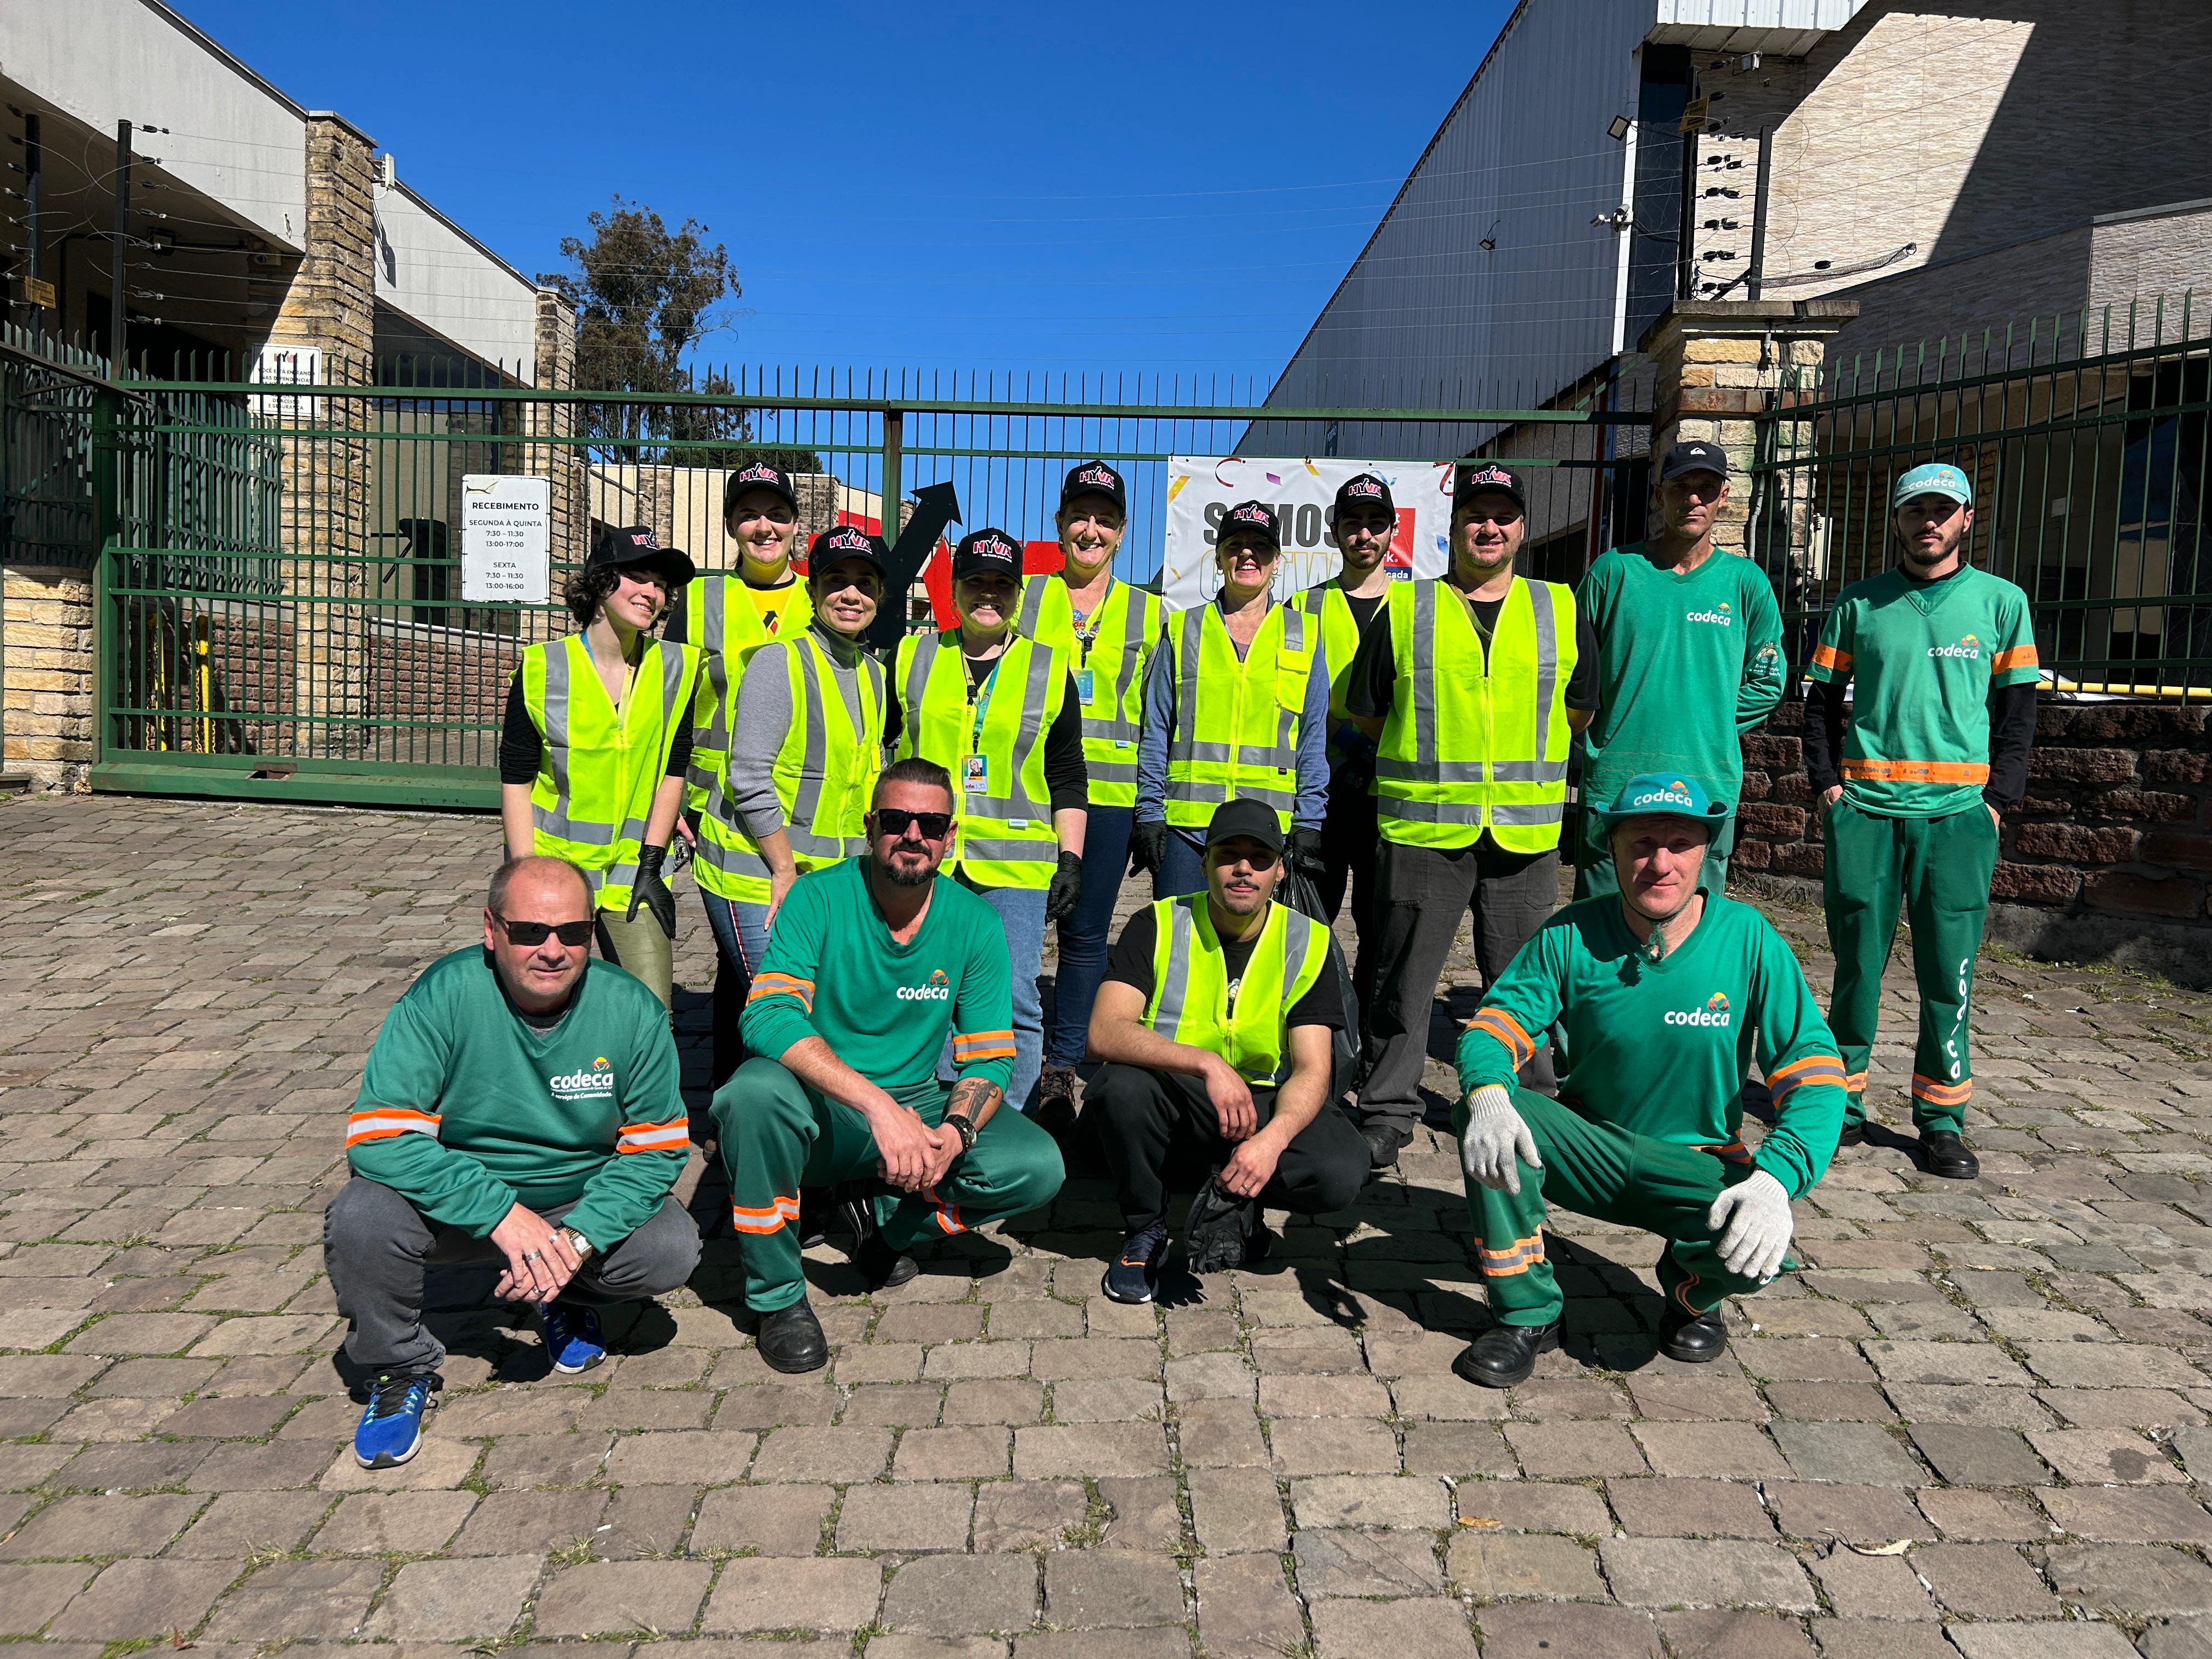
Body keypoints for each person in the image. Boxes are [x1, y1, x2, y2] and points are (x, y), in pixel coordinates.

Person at [1450, 775, 1847, 1387]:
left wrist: (1778, 1178)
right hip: (1592, 1148)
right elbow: (1492, 1028)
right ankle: (1527, 1312)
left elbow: (1817, 1073)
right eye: (1641, 843)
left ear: (1707, 853)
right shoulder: (1569, 933)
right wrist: (1488, 1093)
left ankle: (1692, 1293)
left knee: (1762, 1257)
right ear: (1611, 850)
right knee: (1488, 1117)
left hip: (1696, 1163)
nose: (1660, 864)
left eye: (1680, 844)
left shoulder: (1749, 939)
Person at [326, 856, 701, 1466]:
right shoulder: (443, 995)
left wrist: (577, 1240)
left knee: (670, 1248)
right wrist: (503, 1214)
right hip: (461, 1210)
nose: (552, 950)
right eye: (529, 931)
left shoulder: (632, 1009)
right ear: (491, 930)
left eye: (572, 933)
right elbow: (378, 1134)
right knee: (362, 1215)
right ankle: (398, 1368)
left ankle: (565, 1293)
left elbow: (658, 1148)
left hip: (576, 1199)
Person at [711, 759, 1068, 1372]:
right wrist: (877, 1107)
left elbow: (989, 1055)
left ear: (949, 836)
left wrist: (955, 1134)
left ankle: (883, 1227)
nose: (914, 835)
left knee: (1037, 1168)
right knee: (751, 1096)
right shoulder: (816, 897)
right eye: (898, 820)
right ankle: (778, 1297)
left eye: (930, 823)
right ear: (872, 826)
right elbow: (767, 1015)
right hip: (822, 1108)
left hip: (917, 1105)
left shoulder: (974, 922)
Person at [1342, 465, 1599, 1169]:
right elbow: (1366, 711)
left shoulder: (1558, 605)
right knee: (1404, 983)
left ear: (1522, 529)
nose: (1489, 528)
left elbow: (1580, 706)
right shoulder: (1406, 607)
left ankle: (1533, 1109)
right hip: (1424, 833)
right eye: (1475, 516)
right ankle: (1389, 1108)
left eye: (1503, 517)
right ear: (1454, 530)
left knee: (1523, 985)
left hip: (1524, 835)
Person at [1804, 461, 2039, 1181]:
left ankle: (1941, 1119)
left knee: (1951, 974)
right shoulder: (1859, 605)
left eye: (1943, 509)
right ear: (1897, 519)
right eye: (1916, 510)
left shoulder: (2002, 604)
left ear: (1967, 517)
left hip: (1959, 821)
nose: (1928, 521)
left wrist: (1998, 802)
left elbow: (2019, 713)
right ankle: (1840, 1107)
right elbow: (1817, 704)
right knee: (1856, 970)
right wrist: (1828, 790)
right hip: (1868, 814)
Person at [1086, 799, 1369, 1303]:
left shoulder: (1309, 941)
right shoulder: (1157, 923)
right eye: (1229, 854)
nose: (1243, 868)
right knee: (1118, 1088)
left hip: (1264, 1101)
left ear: (1280, 871)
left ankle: (1239, 1197)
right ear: (1203, 863)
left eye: (1260, 857)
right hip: (1181, 1094)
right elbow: (1105, 1032)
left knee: (1340, 1171)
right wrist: (1206, 1063)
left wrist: (1271, 1141)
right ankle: (1146, 1232)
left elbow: (1312, 1070)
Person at [886, 528, 1086, 1118]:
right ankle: (937, 1115)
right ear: (955, 589)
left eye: (1002, 583)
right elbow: (880, 748)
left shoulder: (1049, 668)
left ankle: (1006, 1129)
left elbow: (1068, 775)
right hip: (926, 858)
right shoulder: (914, 655)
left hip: (1015, 867)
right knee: (934, 995)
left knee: (1015, 1000)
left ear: (1018, 592)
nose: (989, 594)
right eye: (976, 582)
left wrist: (1070, 858)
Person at [690, 523, 890, 1086]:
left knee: (816, 1014)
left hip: (822, 877)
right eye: (836, 581)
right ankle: (763, 1143)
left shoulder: (874, 674)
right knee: (785, 1013)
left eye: (864, 583)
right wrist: (784, 868)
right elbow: (748, 773)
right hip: (755, 870)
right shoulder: (781, 662)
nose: (851, 594)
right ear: (813, 591)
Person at [1016, 461, 1166, 1124]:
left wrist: (1147, 806)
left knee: (1083, 937)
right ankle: (994, 1050)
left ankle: (1061, 1065)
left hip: (1108, 800)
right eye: (1079, 515)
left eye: (1104, 520)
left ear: (1122, 533)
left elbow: (1161, 715)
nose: (1090, 529)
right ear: (1058, 524)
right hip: (1024, 795)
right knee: (1006, 932)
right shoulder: (1021, 597)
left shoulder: (1152, 613)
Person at [1573, 441, 1787, 899]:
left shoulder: (1745, 583)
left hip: (1706, 782)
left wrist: (1707, 722)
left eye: (1706, 488)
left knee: (1693, 930)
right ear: (1659, 495)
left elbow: (1768, 679)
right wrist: (1590, 734)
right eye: (1681, 487)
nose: (1694, 498)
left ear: (1724, 496)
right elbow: (1572, 670)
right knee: (1601, 926)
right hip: (1616, 779)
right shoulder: (1614, 572)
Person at [500, 526, 702, 1009]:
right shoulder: (542, 668)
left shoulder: (677, 667)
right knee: (545, 1004)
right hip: (556, 870)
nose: (651, 593)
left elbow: (673, 770)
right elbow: (516, 781)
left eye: (660, 585)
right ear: (601, 581)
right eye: (639, 577)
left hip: (634, 873)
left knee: (653, 1012)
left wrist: (653, 863)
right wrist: (527, 877)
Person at [667, 462, 817, 1082]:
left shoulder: (824, 594)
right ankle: (736, 1098)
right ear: (731, 524)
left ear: (796, 525)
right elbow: (666, 704)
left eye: (777, 514)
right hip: (716, 809)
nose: (764, 526)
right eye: (750, 514)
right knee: (740, 961)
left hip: (801, 813)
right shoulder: (700, 598)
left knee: (783, 956)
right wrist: (669, 799)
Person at [1133, 500, 1331, 901]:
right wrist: (1150, 812)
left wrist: (1310, 819)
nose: (1247, 554)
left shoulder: (1304, 634)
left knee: (1255, 959)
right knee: (1180, 952)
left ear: (1276, 560)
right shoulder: (1184, 628)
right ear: (1220, 557)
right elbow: (1155, 729)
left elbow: (1312, 738)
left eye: (1259, 546)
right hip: (1188, 832)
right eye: (1235, 545)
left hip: (1267, 838)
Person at [1293, 472, 1399, 940]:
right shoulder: (1304, 605)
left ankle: (1372, 1017)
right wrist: (1340, 735)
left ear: (1393, 531)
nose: (1365, 534)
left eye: (1377, 523)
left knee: (1381, 927)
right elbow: (1290, 697)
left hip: (1391, 794)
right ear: (1336, 531)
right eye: (1353, 523)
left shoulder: (1419, 605)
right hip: (1325, 792)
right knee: (1311, 921)